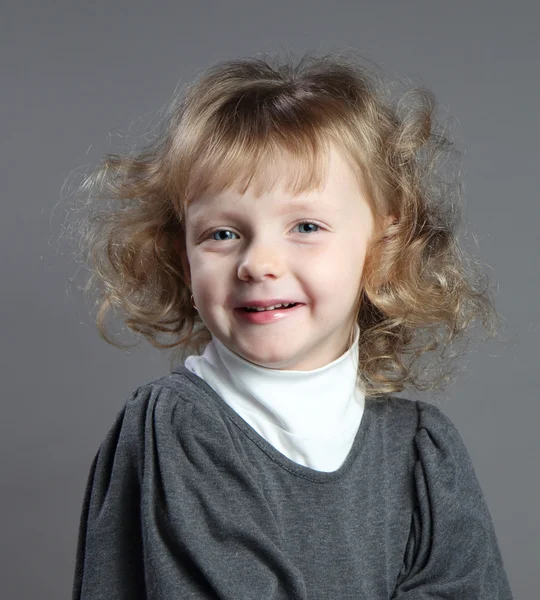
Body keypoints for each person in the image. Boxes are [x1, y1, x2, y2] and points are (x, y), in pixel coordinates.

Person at [69, 50, 514, 598]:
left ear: (382, 249)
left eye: (305, 225)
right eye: (222, 234)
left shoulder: (422, 453)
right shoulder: (177, 428)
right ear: (185, 260)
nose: (258, 263)